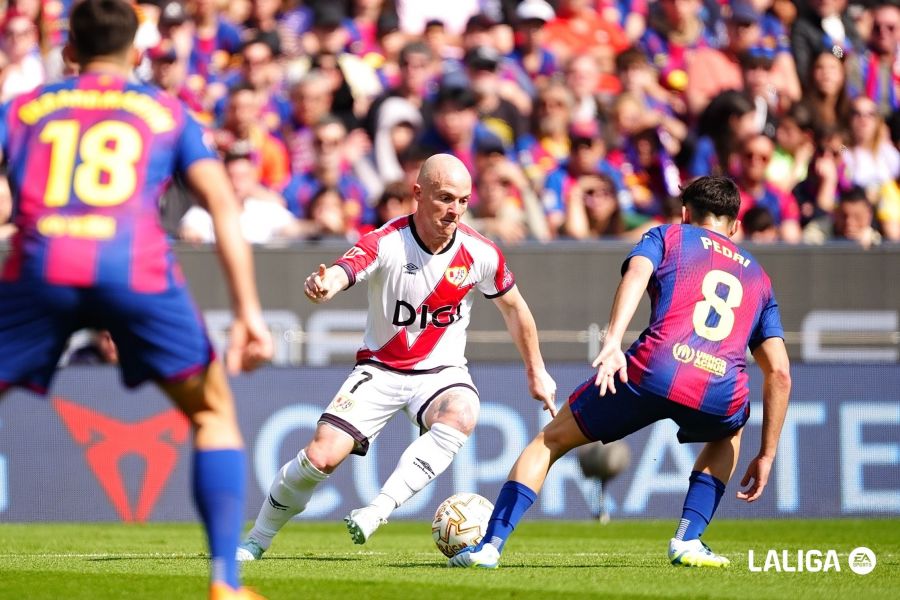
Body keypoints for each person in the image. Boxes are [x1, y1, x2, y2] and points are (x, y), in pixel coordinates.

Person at [0, 2, 274, 599]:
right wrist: (248, 312)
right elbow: (223, 206)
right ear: (138, 54)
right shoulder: (166, 111)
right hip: (134, 268)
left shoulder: (20, 109)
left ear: (69, 53)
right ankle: (225, 583)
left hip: (42, 263)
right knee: (212, 412)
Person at [449, 176, 791, 569]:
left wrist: (613, 341)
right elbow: (779, 372)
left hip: (651, 368)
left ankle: (490, 547)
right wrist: (767, 454)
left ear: (685, 214)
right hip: (718, 386)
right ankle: (688, 539)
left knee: (550, 441)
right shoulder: (759, 279)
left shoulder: (667, 235)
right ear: (735, 225)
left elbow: (636, 275)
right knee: (730, 428)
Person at [236, 153, 557, 560]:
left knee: (463, 412)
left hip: (441, 372)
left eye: (462, 200)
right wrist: (325, 283)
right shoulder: (387, 241)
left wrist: (537, 370)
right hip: (380, 368)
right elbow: (345, 269)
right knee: (321, 456)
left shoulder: (481, 253)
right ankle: (256, 540)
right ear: (418, 194)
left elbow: (515, 309)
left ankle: (378, 510)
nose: (454, 210)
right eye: (444, 198)